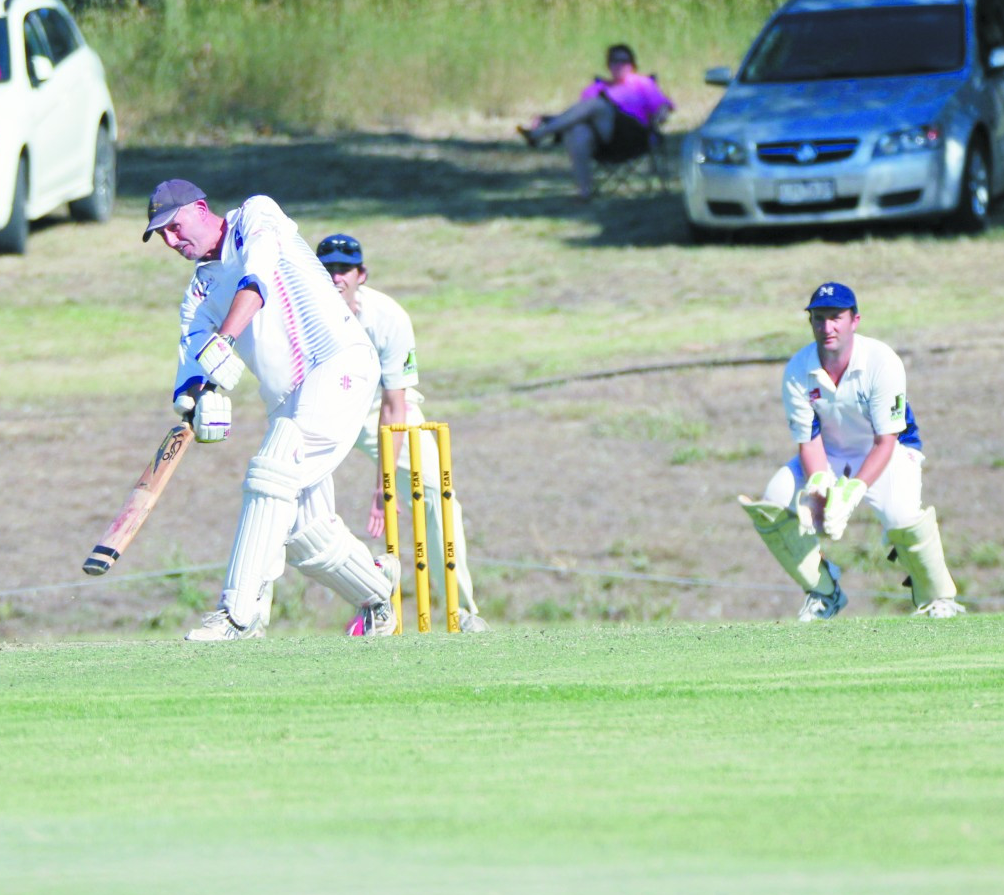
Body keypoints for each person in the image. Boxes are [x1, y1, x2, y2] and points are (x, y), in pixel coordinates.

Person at [145, 180, 399, 640]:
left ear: (201, 209)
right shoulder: (199, 293)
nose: (171, 241)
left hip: (338, 362)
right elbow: (189, 376)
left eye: (175, 227)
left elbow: (255, 281)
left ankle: (238, 615)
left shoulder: (255, 217)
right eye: (161, 235)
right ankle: (378, 593)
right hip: (287, 403)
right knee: (308, 536)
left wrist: (223, 341)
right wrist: (200, 402)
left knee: (271, 468)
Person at [739, 282, 963, 621]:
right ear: (810, 322)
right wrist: (818, 484)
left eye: (836, 318)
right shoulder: (798, 370)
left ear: (854, 320)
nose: (827, 327)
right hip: (829, 454)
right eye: (819, 318)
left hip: (890, 451)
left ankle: (936, 598)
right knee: (773, 501)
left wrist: (853, 491)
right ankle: (825, 592)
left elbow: (885, 439)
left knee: (902, 517)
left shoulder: (882, 362)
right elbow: (809, 438)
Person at [314, 233, 486, 633]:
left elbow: (394, 405)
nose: (336, 277)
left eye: (344, 269)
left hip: (380, 406)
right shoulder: (298, 315)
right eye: (328, 269)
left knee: (435, 491)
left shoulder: (388, 317)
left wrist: (383, 488)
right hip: (322, 402)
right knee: (279, 493)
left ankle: (461, 613)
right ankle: (249, 617)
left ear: (361, 274)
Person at [518, 43, 674, 201]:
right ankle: (584, 193)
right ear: (608, 64)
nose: (620, 64)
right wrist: (545, 117)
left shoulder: (643, 83)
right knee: (578, 130)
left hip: (634, 135)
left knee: (597, 103)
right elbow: (577, 116)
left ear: (633, 64)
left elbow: (662, 106)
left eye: (624, 60)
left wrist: (661, 116)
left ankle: (540, 134)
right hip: (604, 140)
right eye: (614, 60)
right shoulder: (596, 87)